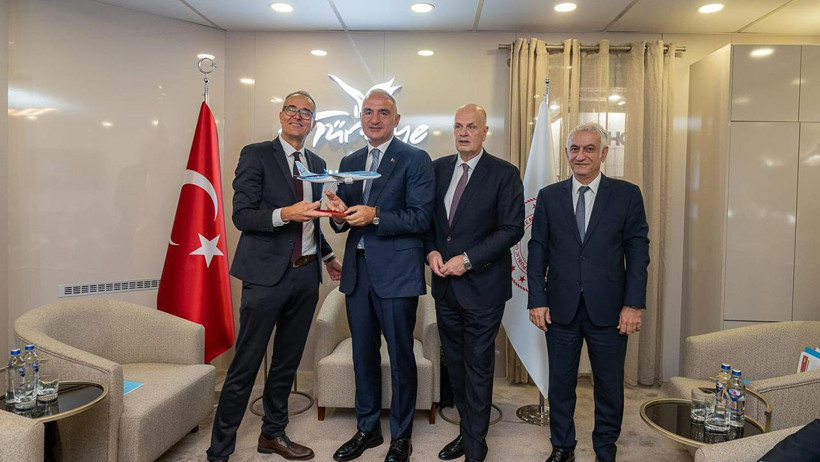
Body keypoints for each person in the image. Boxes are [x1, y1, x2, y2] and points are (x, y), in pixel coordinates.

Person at [206, 90, 342, 462]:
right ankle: (219, 451)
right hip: (265, 278)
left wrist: (328, 256)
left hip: (305, 278)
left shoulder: (317, 162)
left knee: (286, 364)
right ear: (281, 116)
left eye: (306, 112)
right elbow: (242, 215)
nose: (298, 116)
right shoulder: (256, 155)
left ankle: (273, 434)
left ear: (314, 122)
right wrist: (284, 214)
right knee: (246, 364)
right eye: (291, 109)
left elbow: (310, 222)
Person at [527, 122, 650, 462]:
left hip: (610, 310)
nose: (581, 156)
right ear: (567, 153)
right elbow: (537, 250)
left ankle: (605, 450)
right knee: (560, 385)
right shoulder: (550, 196)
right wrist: (537, 299)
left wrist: (633, 305)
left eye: (589, 149)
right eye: (575, 149)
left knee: (609, 388)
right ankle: (562, 447)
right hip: (560, 307)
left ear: (604, 153)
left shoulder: (626, 194)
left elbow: (638, 254)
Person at [324, 89, 435, 462]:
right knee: (363, 354)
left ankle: (401, 437)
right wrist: (338, 212)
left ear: (396, 119)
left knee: (401, 357)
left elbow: (421, 217)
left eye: (383, 112)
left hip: (397, 274)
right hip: (358, 274)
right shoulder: (351, 160)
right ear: (360, 117)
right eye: (368, 112)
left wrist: (376, 216)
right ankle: (368, 429)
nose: (375, 119)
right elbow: (343, 220)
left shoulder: (415, 159)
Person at [424, 104, 524, 462]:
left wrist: (467, 260)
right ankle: (467, 434)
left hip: (483, 288)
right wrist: (431, 251)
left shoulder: (504, 173)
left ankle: (475, 449)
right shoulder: (437, 169)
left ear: (485, 132)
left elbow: (511, 229)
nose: (463, 133)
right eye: (458, 126)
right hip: (445, 287)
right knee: (455, 365)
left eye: (471, 127)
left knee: (478, 368)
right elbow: (428, 222)